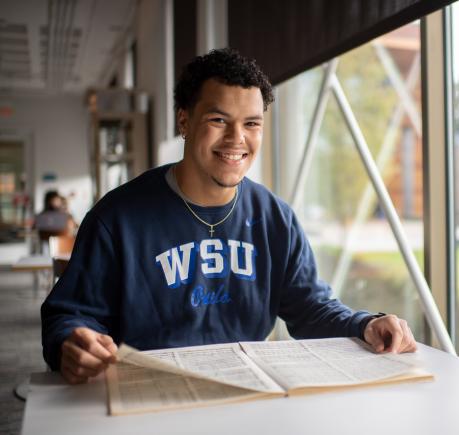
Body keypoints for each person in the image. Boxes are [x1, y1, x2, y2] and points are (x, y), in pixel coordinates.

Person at [41, 48, 417, 385]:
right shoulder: (116, 218)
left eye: (251, 123)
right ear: (184, 121)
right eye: (219, 120)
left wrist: (365, 324)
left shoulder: (275, 218)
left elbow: (310, 308)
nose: (237, 139)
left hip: (244, 395)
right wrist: (71, 342)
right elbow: (69, 314)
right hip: (148, 398)